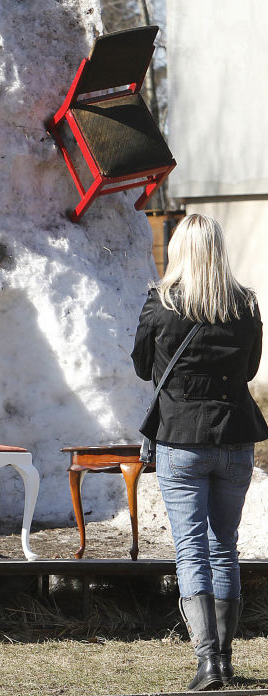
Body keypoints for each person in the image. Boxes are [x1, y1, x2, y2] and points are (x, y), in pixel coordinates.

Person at [132, 213, 268, 692]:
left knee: (192, 549)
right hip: (234, 436)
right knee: (224, 547)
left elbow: (142, 366)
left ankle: (208, 663)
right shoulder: (246, 305)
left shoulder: (161, 304)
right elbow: (250, 369)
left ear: (178, 250)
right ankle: (226, 661)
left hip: (181, 440)